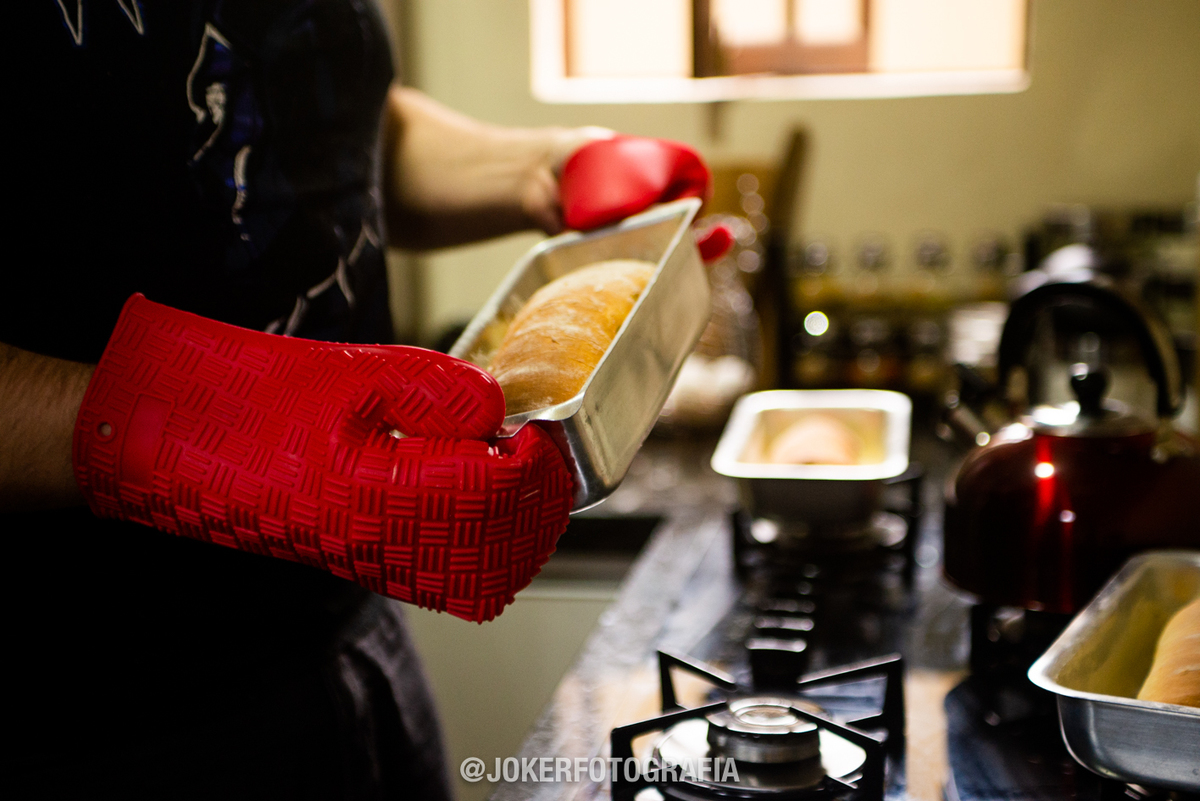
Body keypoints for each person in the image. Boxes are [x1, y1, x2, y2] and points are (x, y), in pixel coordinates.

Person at [5, 2, 710, 797]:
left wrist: (544, 168)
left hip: (354, 636)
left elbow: (328, 127)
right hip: (94, 715)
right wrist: (193, 425)